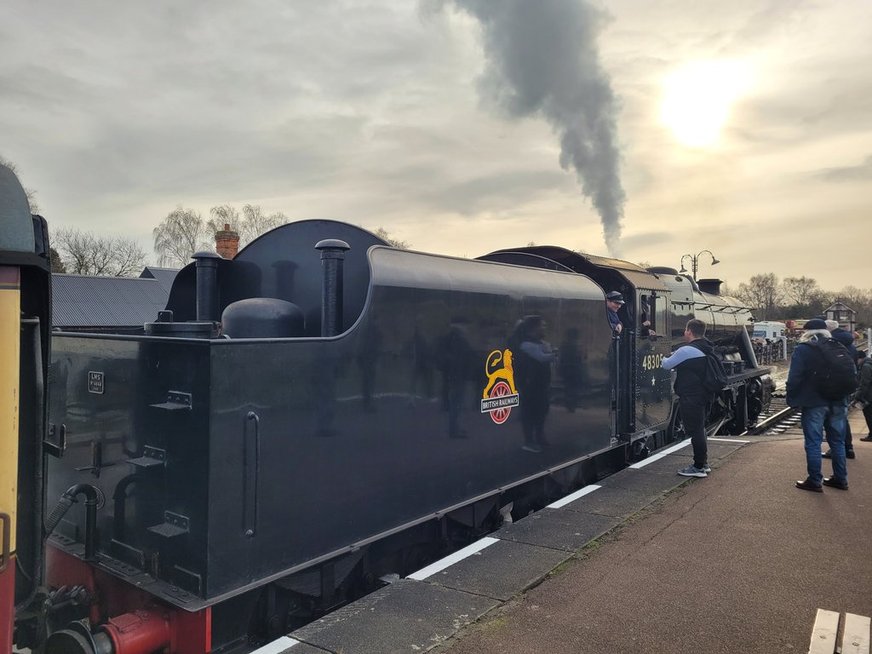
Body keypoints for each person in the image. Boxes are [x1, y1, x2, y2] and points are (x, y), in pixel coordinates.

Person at [787, 318, 848, 492]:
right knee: (837, 441)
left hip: (815, 402)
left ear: (807, 332)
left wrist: (792, 399)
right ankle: (841, 479)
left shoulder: (803, 350)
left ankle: (815, 480)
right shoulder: (838, 346)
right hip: (838, 400)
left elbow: (794, 378)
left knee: (814, 442)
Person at [661, 318, 713, 478]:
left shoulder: (687, 350)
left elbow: (666, 364)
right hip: (703, 393)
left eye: (685, 330)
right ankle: (703, 463)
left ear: (689, 331)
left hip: (691, 396)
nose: (684, 332)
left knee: (695, 430)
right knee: (700, 428)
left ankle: (698, 467)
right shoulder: (706, 347)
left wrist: (660, 353)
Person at [512, 315, 555, 453]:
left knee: (542, 410)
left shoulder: (538, 342)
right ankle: (529, 441)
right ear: (534, 328)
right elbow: (542, 357)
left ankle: (539, 436)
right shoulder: (526, 344)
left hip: (541, 383)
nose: (544, 328)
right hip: (530, 384)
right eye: (542, 325)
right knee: (530, 412)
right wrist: (554, 354)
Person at [822, 319, 857, 459]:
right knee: (842, 418)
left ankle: (837, 450)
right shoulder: (849, 344)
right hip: (847, 384)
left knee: (833, 420)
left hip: (833, 386)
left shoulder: (833, 343)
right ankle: (848, 448)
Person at [854, 350, 872, 441]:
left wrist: (858, 396)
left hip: (868, 397)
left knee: (869, 416)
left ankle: (871, 435)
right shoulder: (869, 364)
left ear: (859, 358)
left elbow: (864, 383)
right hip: (869, 395)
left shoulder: (865, 367)